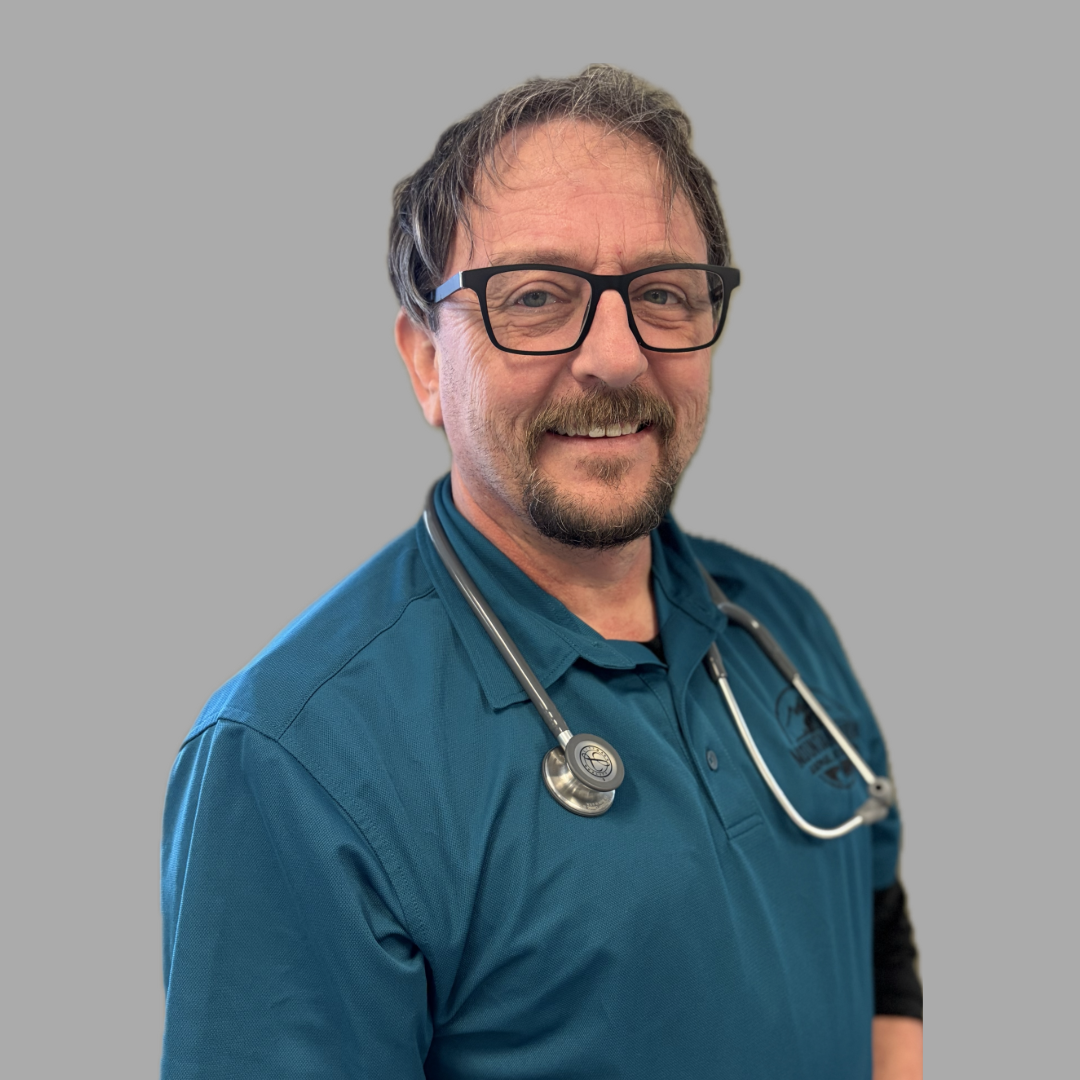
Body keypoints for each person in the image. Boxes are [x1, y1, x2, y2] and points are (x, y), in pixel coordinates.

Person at [161, 65, 922, 1079]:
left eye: (662, 293)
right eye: (535, 297)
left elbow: (877, 929)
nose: (616, 356)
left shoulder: (782, 626)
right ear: (427, 362)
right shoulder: (294, 763)